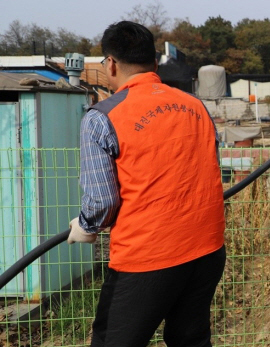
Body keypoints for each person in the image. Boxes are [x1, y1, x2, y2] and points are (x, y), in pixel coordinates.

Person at [66, 21, 226, 347]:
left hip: (147, 257)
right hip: (207, 249)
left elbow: (102, 202)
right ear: (155, 62)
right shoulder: (196, 106)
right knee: (190, 340)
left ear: (110, 63)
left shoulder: (102, 117)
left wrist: (85, 225)